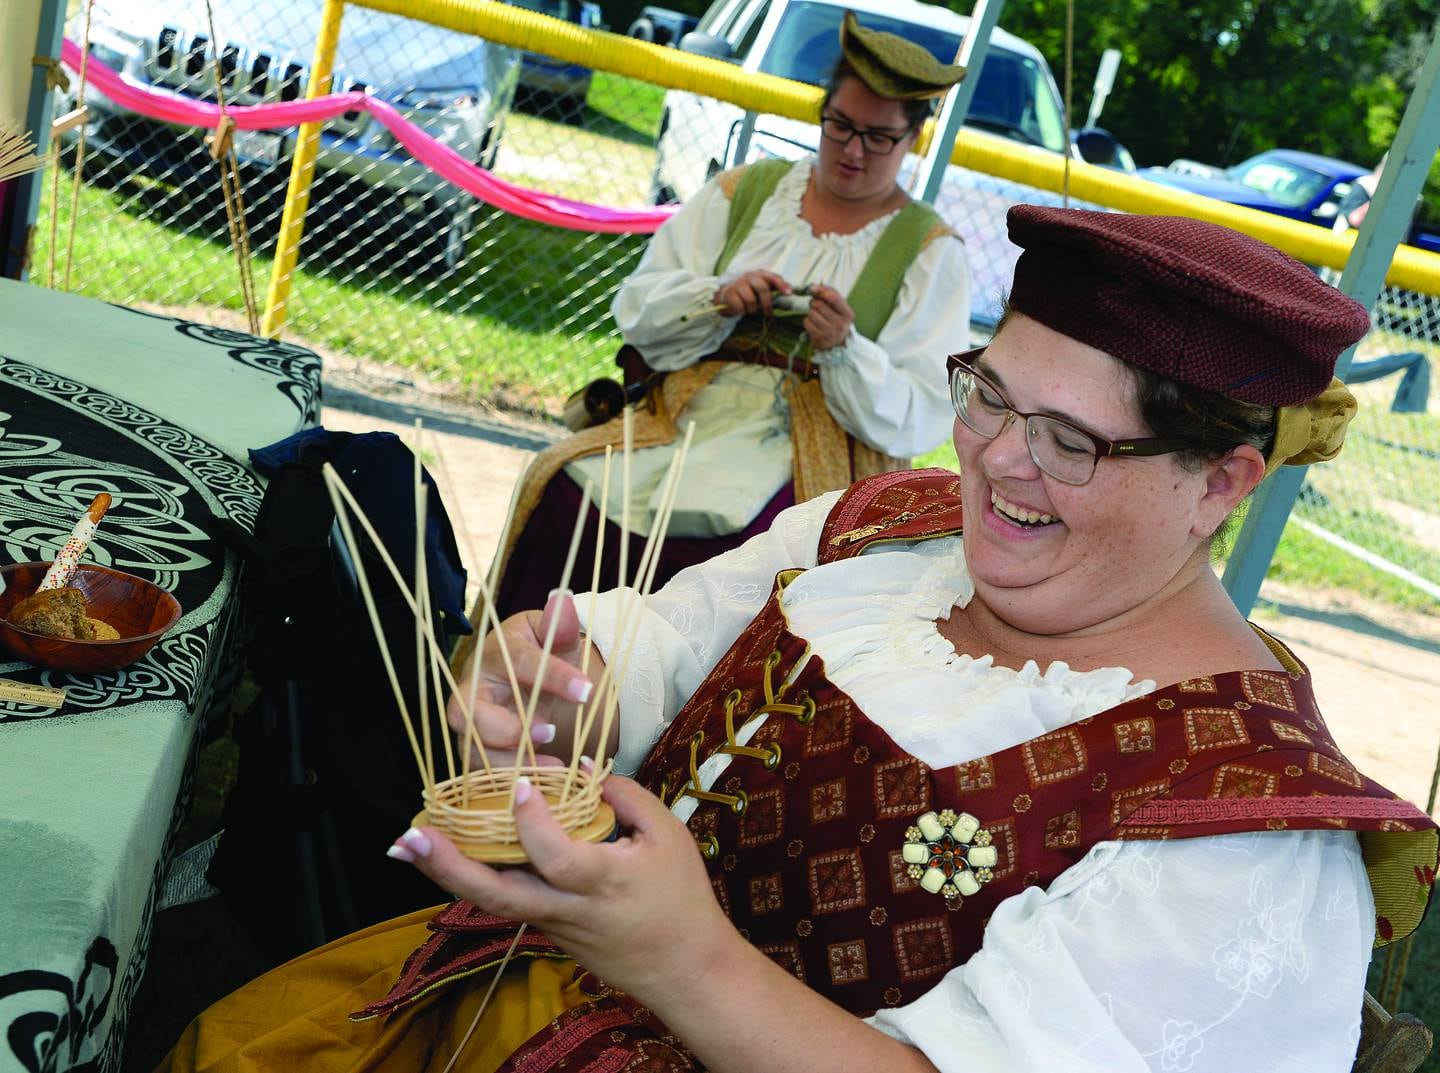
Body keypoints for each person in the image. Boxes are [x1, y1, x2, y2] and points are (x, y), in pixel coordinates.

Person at [160, 206, 1438, 1073]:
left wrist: (682, 957)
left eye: (1072, 438)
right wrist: (552, 690)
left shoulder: (1246, 826)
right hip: (523, 999)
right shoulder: (880, 535)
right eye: (989, 392)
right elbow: (655, 650)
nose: (995, 461)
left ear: (1223, 484)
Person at [490, 12, 972, 618]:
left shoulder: (929, 251)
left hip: (810, 439)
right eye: (840, 126)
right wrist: (717, 296)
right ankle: (517, 688)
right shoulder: (744, 192)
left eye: (878, 137)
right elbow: (639, 305)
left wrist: (846, 348)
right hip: (690, 411)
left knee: (742, 546)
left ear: (912, 140)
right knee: (563, 491)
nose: (852, 150)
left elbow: (922, 410)